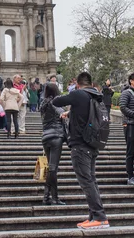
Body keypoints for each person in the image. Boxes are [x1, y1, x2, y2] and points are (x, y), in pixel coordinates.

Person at [53, 72, 109, 230]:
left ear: (77, 84)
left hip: (80, 144)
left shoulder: (78, 94)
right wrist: (71, 112)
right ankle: (93, 216)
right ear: (91, 83)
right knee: (91, 179)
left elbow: (57, 101)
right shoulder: (96, 96)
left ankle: (99, 216)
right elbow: (88, 113)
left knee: (86, 181)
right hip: (92, 143)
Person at [40, 82, 67, 205]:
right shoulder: (56, 102)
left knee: (52, 168)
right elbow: (62, 114)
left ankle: (47, 196)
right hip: (56, 136)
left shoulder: (43, 103)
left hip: (46, 136)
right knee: (53, 168)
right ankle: (55, 197)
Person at [119, 72, 134, 186]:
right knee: (130, 152)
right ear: (131, 81)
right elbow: (123, 107)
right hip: (130, 125)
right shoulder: (126, 92)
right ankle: (130, 176)